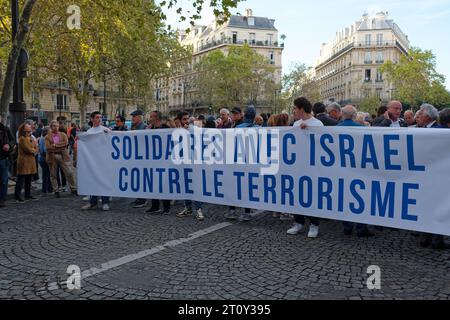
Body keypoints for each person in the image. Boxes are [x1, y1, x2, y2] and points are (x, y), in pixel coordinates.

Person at [337, 106, 375, 237]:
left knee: (344, 198)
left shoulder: (334, 129)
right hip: (359, 170)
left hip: (340, 170)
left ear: (342, 115)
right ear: (354, 115)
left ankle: (347, 227)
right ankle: (360, 228)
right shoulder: (363, 129)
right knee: (361, 198)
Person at [288, 97, 323, 238]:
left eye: (295, 108)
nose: (294, 111)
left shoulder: (317, 123)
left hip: (312, 167)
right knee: (297, 194)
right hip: (297, 166)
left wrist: (308, 131)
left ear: (301, 108)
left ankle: (314, 224)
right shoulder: (296, 123)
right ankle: (298, 222)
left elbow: (321, 143)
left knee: (312, 195)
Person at [176, 111, 205, 221]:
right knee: (185, 186)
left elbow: (202, 131)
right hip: (183, 164)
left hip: (195, 163)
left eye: (188, 118)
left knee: (196, 186)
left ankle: (199, 209)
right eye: (184, 119)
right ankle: (188, 208)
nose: (187, 121)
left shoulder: (195, 128)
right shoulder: (176, 131)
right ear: (179, 120)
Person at [82, 112, 112, 211]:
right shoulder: (89, 132)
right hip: (92, 161)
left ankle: (105, 202)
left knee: (104, 180)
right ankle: (92, 202)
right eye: (97, 117)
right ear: (92, 119)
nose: (99, 119)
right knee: (92, 180)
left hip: (104, 161)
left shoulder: (106, 130)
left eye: (100, 117)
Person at [145, 111, 171, 215]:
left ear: (157, 118)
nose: (150, 118)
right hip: (153, 161)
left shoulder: (166, 128)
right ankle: (155, 206)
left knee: (164, 184)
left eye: (151, 116)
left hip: (164, 160)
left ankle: (166, 207)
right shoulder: (150, 128)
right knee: (154, 184)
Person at [45, 120, 77, 198]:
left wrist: (55, 145)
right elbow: (48, 148)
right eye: (54, 126)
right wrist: (60, 147)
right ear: (51, 127)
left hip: (63, 156)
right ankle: (56, 190)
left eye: (57, 126)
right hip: (52, 157)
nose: (56, 127)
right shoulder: (47, 136)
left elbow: (66, 143)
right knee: (53, 175)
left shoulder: (63, 134)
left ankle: (73, 188)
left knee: (69, 172)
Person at [15, 123, 39, 203]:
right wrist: (34, 151)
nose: (30, 127)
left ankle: (27, 195)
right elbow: (28, 149)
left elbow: (36, 146)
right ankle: (17, 196)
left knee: (29, 179)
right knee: (20, 180)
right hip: (24, 161)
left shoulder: (30, 137)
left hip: (31, 161)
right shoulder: (22, 138)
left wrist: (34, 150)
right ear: (24, 129)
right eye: (28, 126)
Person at [130, 110, 148, 208]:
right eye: (132, 116)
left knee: (142, 178)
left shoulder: (144, 127)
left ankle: (143, 199)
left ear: (139, 117)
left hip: (142, 157)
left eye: (134, 116)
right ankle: (138, 197)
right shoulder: (133, 127)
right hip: (135, 156)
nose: (132, 118)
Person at [0, 116, 15, 207]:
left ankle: (2, 200)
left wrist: (9, 145)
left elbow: (13, 140)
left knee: (4, 180)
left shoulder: (5, 129)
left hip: (3, 158)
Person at [38, 127, 52, 195]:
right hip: (45, 158)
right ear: (47, 132)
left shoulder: (42, 138)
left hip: (42, 158)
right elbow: (44, 150)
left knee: (46, 174)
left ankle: (48, 189)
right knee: (46, 174)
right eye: (50, 130)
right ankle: (46, 190)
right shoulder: (45, 138)